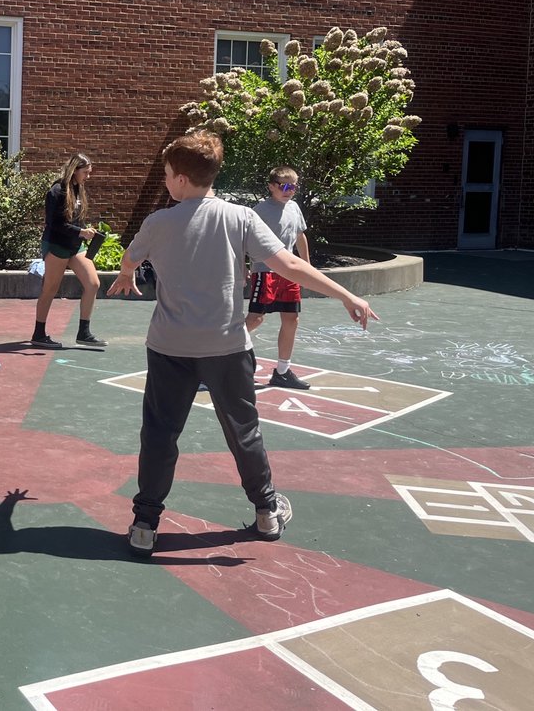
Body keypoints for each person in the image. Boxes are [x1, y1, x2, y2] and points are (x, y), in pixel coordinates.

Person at [107, 132, 378, 557]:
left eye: (165, 175)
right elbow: (289, 264)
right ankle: (267, 510)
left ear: (178, 179)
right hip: (227, 348)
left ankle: (144, 524)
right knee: (243, 431)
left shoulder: (158, 223)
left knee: (159, 434)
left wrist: (126, 275)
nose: (165, 182)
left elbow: (130, 258)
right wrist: (346, 295)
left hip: (168, 348)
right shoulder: (241, 219)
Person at [30, 153, 105, 349]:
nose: (88, 177)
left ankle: (84, 332)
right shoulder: (57, 191)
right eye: (85, 173)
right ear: (75, 170)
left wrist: (87, 231)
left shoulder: (78, 189)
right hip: (57, 245)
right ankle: (38, 334)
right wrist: (81, 231)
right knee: (50, 289)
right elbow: (55, 224)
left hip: (75, 245)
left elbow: (75, 220)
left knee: (93, 283)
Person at [246, 166, 311, 390]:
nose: (288, 190)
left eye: (292, 186)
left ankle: (282, 372)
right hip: (265, 271)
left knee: (291, 318)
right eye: (284, 186)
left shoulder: (294, 208)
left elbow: (300, 236)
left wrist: (306, 267)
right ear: (271, 186)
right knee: (255, 318)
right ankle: (215, 363)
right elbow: (243, 240)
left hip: (289, 273)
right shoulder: (259, 211)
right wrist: (243, 266)